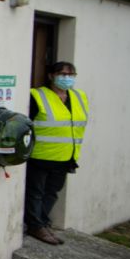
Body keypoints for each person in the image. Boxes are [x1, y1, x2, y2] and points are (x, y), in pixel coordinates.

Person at [24, 61, 89, 245]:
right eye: (62, 74)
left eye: (70, 74)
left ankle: (43, 223)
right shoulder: (37, 96)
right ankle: (36, 226)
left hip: (66, 156)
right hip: (41, 155)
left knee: (52, 192)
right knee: (35, 192)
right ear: (51, 76)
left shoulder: (79, 97)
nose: (66, 78)